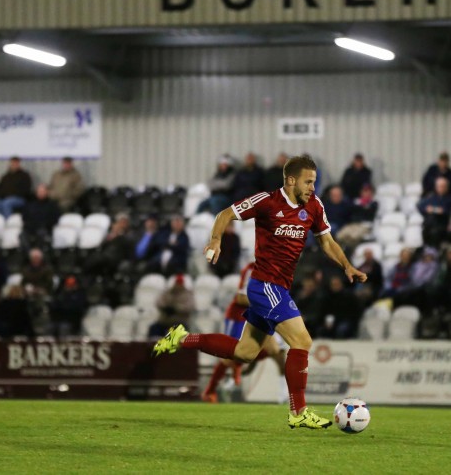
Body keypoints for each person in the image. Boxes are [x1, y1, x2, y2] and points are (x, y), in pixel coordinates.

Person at [153, 155, 367, 429]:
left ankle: (182, 338)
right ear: (291, 180)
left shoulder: (314, 206)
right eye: (308, 181)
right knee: (302, 341)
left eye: (314, 182)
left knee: (244, 353)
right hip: (265, 285)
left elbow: (326, 241)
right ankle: (298, 411)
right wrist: (216, 240)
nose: (313, 187)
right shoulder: (267, 201)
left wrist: (347, 266)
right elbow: (225, 214)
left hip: (279, 287)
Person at [200, 262, 285, 403]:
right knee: (231, 355)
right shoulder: (253, 269)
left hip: (262, 315)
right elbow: (241, 298)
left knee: (276, 351)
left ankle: (284, 394)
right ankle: (210, 390)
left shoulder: (281, 270)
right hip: (239, 316)